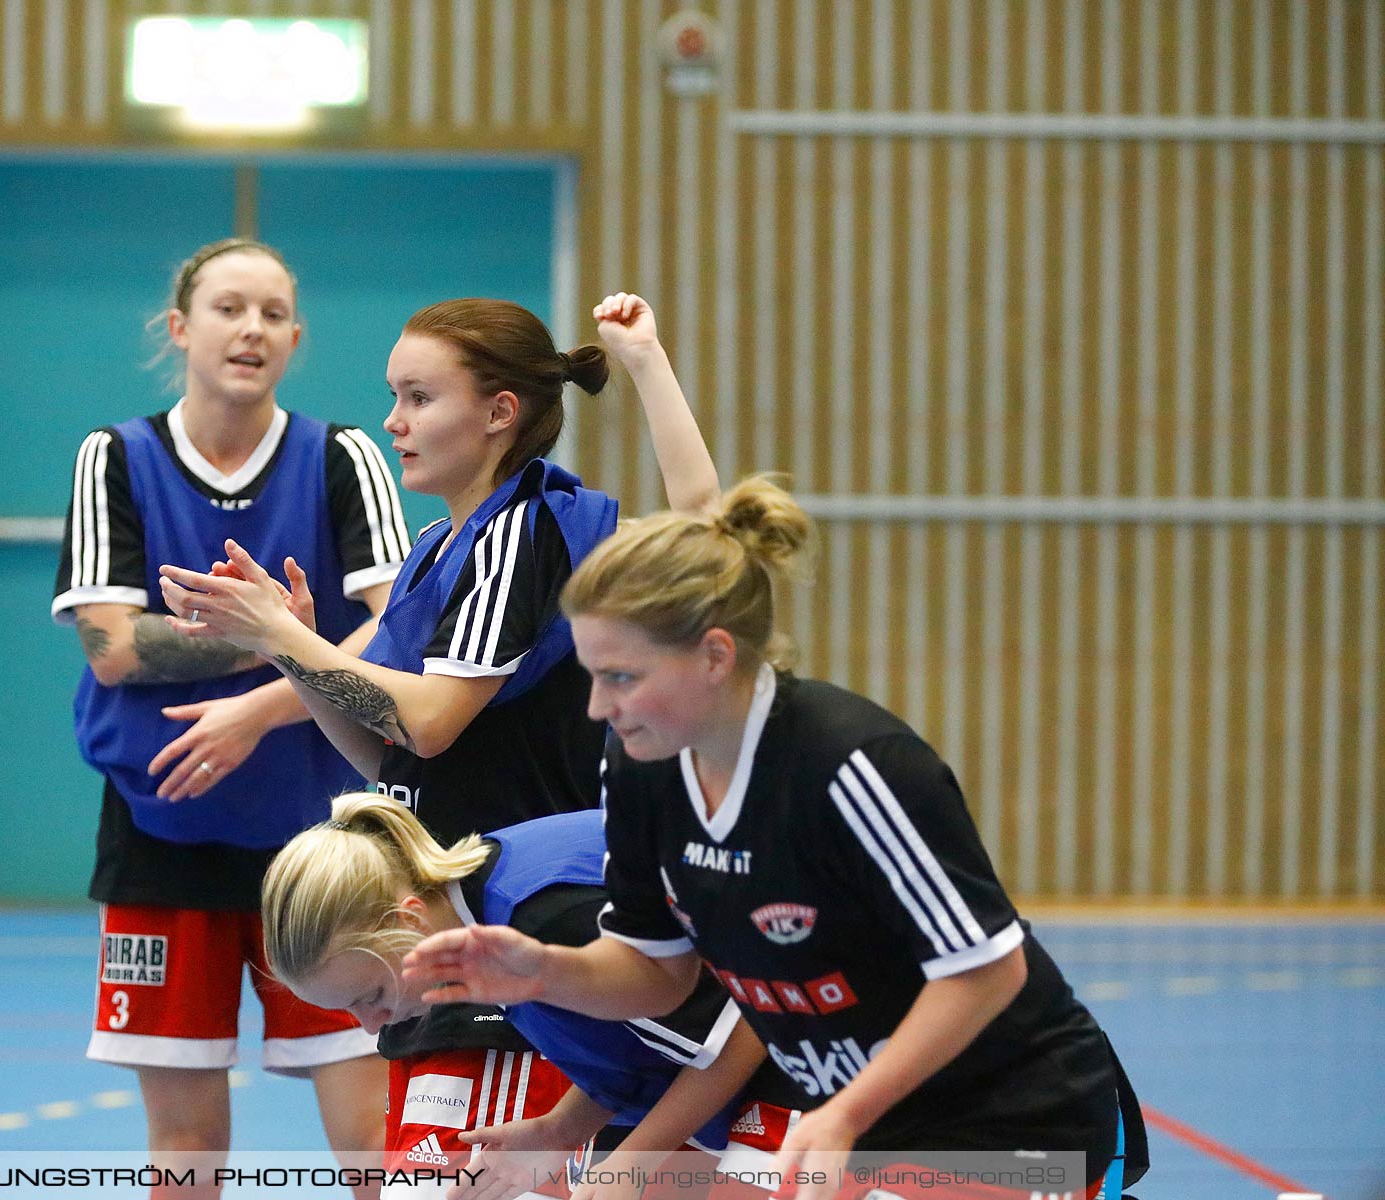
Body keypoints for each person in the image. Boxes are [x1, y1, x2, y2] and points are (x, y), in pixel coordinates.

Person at [398, 476, 1151, 1200]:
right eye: (592, 676)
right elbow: (655, 974)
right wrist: (544, 971)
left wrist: (847, 1114)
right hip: (869, 1125)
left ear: (716, 656)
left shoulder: (852, 766)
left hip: (1011, 1121)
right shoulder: (643, 767)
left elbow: (987, 972)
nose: (598, 707)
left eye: (622, 677)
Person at [155, 293, 720, 1193]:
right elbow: (391, 753)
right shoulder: (436, 546)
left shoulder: (523, 533)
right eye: (393, 395)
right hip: (441, 937)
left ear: (498, 414)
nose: (394, 421)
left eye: (419, 397)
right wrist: (285, 651)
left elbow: (432, 715)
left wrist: (647, 362)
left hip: (521, 942)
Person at [51, 237, 405, 1198]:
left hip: (327, 837)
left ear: (296, 336)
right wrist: (280, 635)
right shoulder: (115, 456)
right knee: (184, 1150)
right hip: (164, 834)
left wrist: (261, 708)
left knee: (373, 1143)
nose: (251, 328)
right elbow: (114, 646)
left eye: (273, 313)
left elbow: (396, 632)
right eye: (228, 307)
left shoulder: (343, 458)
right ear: (180, 328)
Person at [261, 793, 769, 1200]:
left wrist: (633, 1163)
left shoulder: (539, 917)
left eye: (370, 995)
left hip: (817, 1040)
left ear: (407, 920)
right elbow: (642, 1044)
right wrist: (559, 1130)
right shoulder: (481, 912)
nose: (373, 1026)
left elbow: (747, 1025)